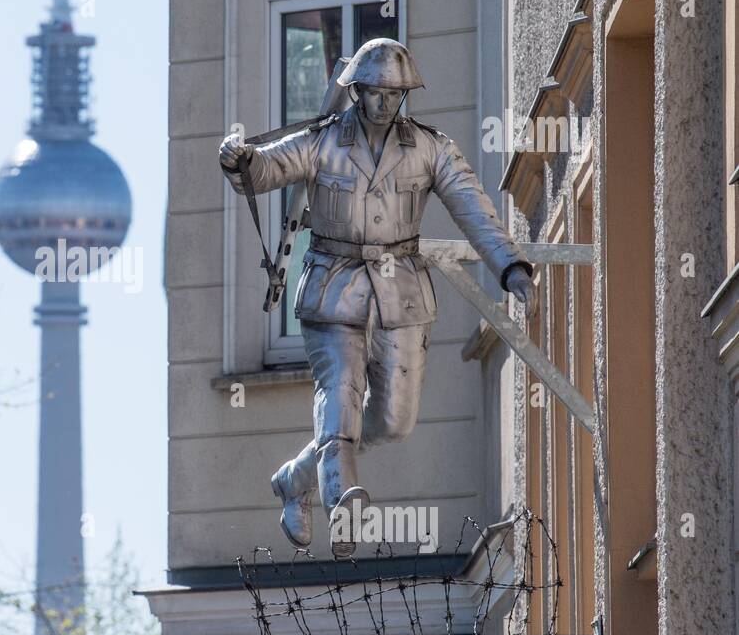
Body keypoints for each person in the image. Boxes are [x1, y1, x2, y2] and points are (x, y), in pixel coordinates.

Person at [219, 38, 535, 556]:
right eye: (377, 93)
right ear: (357, 91)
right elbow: (265, 170)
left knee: (393, 420)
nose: (387, 104)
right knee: (340, 390)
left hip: (401, 289)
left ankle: (294, 481)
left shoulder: (431, 147)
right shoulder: (323, 142)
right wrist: (241, 159)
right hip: (333, 283)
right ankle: (342, 502)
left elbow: (473, 208)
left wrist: (510, 266)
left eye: (396, 94)